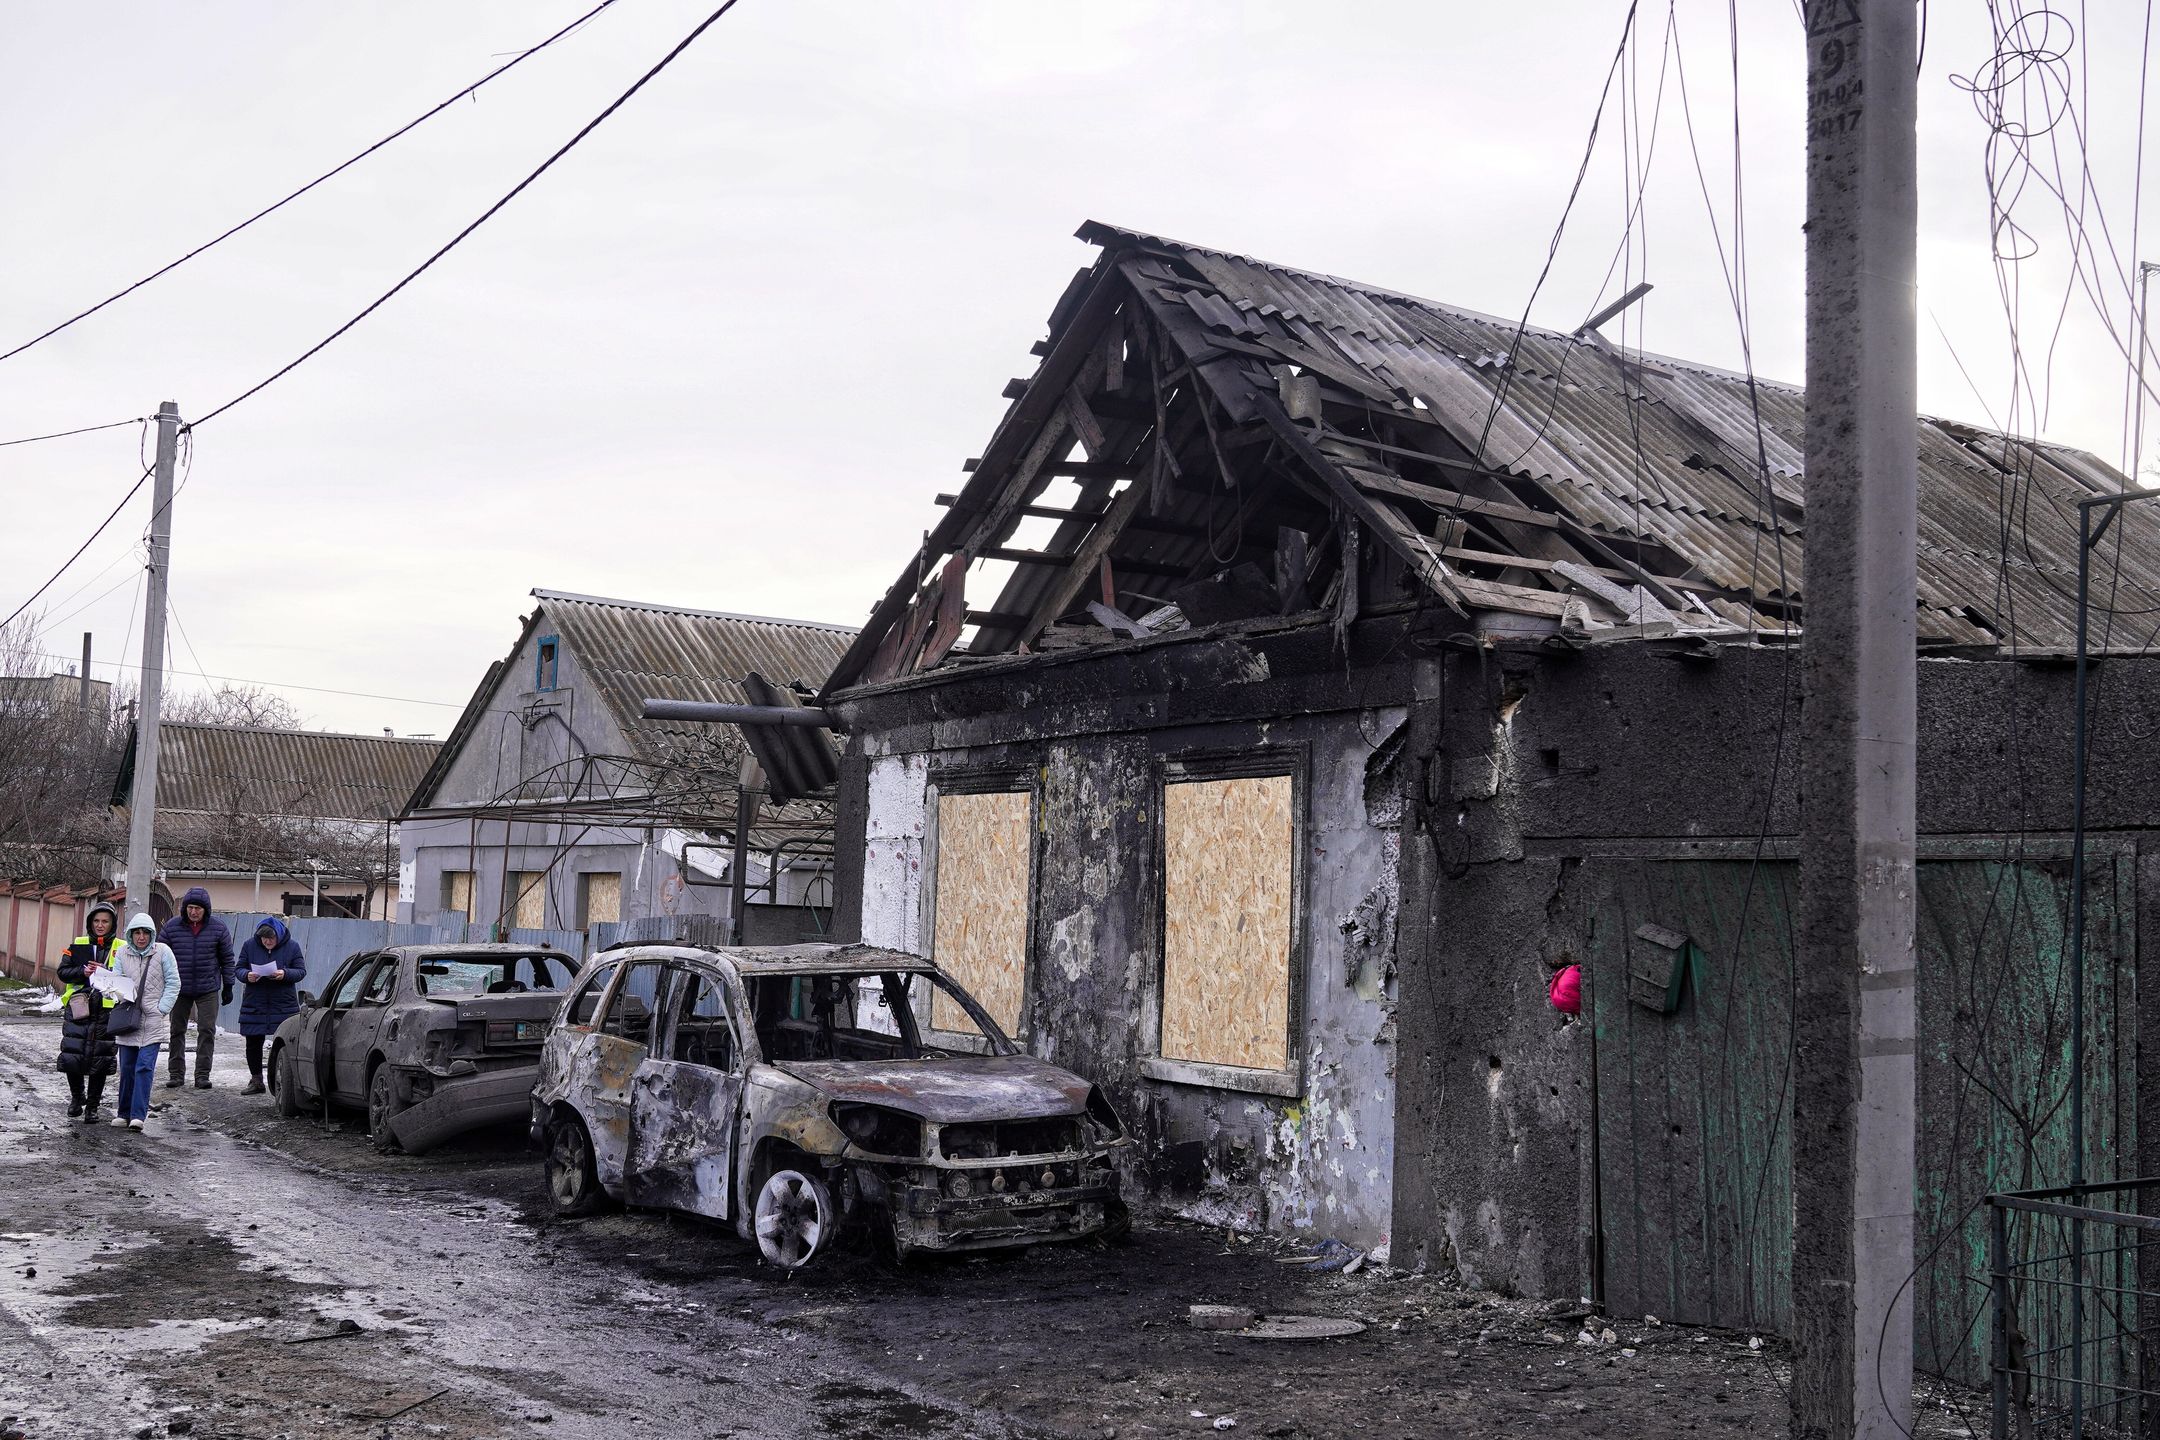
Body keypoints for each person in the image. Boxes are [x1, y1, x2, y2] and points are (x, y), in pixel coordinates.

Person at [106, 913, 181, 1132]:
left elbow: (173, 983)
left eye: (145, 933)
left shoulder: (163, 952)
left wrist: (162, 1009)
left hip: (153, 1020)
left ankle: (138, 1115)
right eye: (137, 933)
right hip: (128, 1018)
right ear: (130, 934)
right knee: (127, 1068)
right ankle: (123, 1112)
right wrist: (119, 994)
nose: (141, 937)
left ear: (152, 934)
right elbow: (116, 980)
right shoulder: (122, 952)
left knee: (144, 1067)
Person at [159, 887, 235, 1090]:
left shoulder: (218, 929)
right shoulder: (172, 928)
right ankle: (176, 1073)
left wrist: (229, 985)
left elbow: (227, 959)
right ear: (185, 908)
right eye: (191, 908)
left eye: (198, 909)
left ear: (206, 910)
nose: (194, 912)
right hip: (179, 987)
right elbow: (159, 957)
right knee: (176, 1031)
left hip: (208, 987)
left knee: (207, 1030)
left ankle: (202, 1074)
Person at [55, 901, 121, 1122]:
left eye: (105, 921)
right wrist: (83, 971)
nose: (100, 925)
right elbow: (63, 972)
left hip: (105, 1012)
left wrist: (107, 973)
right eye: (96, 921)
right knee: (73, 1055)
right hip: (79, 1008)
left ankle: (92, 1107)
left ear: (112, 924)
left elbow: (127, 978)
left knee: (100, 1060)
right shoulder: (79, 944)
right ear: (90, 923)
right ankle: (76, 1098)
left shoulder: (121, 947)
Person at [236, 916, 306, 1096]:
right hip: (255, 1002)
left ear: (279, 936)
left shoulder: (292, 947)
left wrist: (285, 973)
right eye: (263, 938)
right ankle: (256, 1080)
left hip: (283, 1003)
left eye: (271, 938)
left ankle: (284, 1080)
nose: (267, 941)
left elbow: (301, 971)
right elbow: (239, 968)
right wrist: (247, 975)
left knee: (284, 1042)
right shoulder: (249, 945)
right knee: (253, 1041)